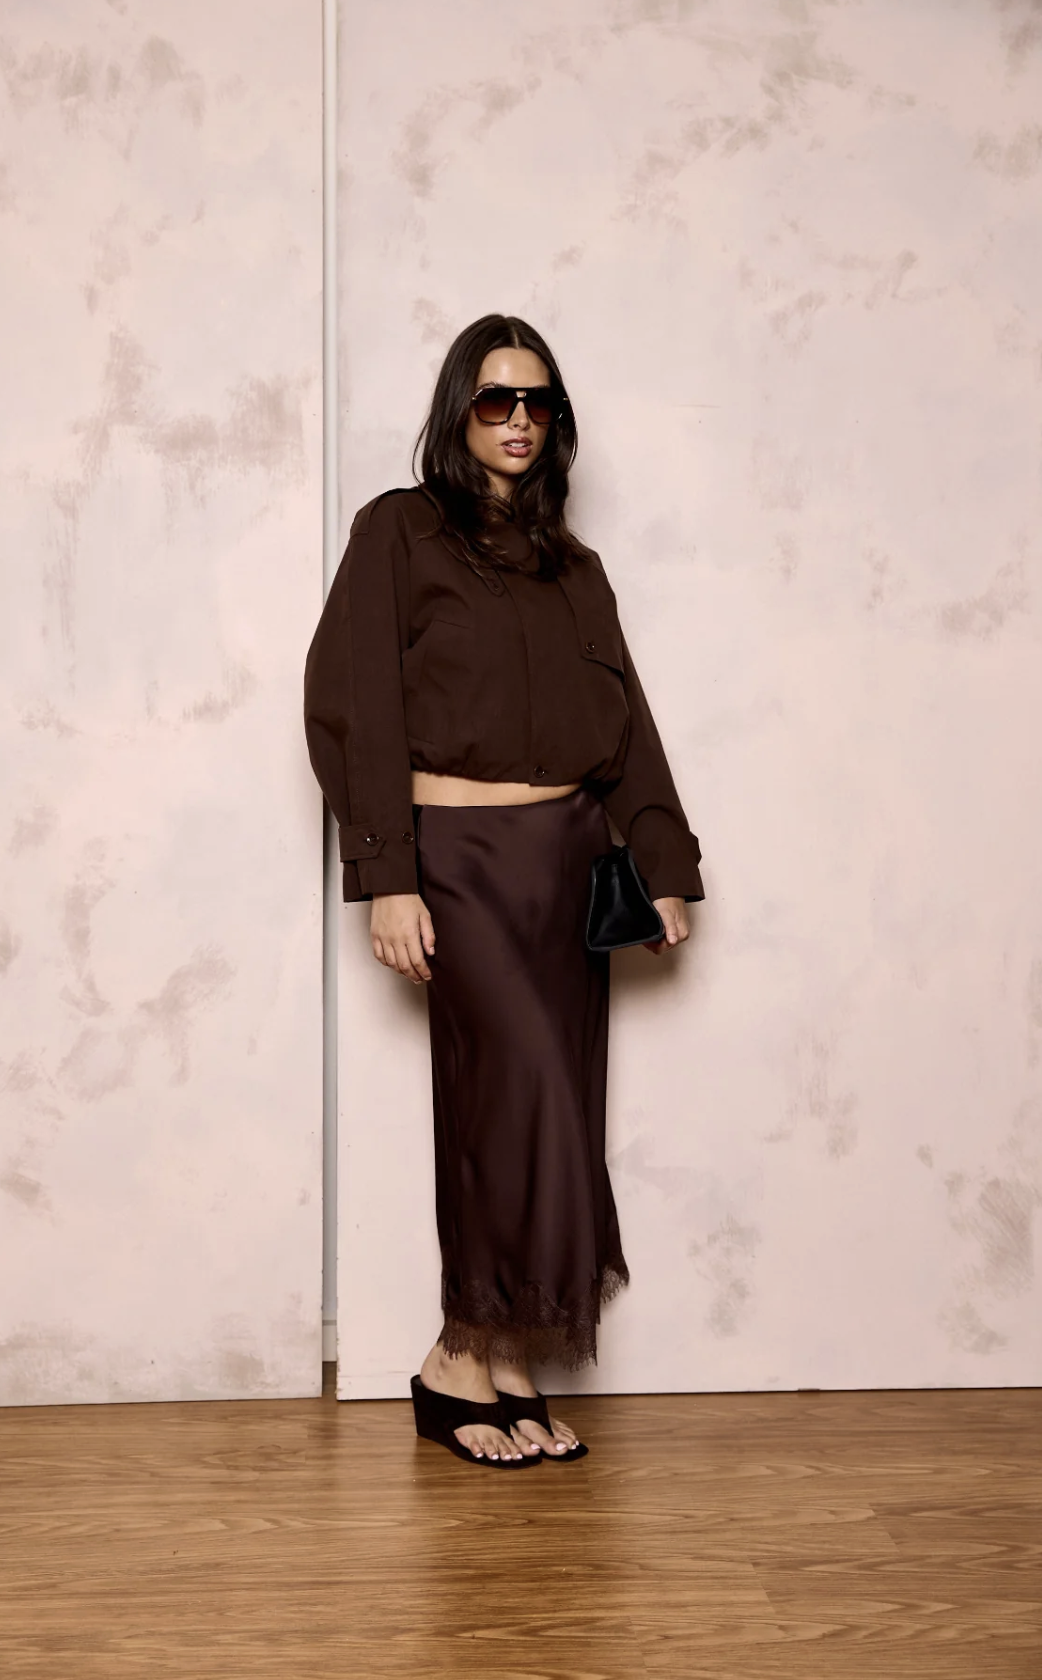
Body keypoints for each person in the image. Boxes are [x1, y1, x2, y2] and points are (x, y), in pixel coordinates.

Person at [304, 314, 703, 1468]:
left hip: (567, 864)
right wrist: (387, 876)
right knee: (507, 1097)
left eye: (537, 402)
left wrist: (662, 866)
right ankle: (454, 1355)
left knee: (554, 1112)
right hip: (459, 861)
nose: (518, 420)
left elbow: (626, 727)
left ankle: (506, 1358)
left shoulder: (576, 569)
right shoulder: (399, 531)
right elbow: (351, 704)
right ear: (458, 411)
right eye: (495, 399)